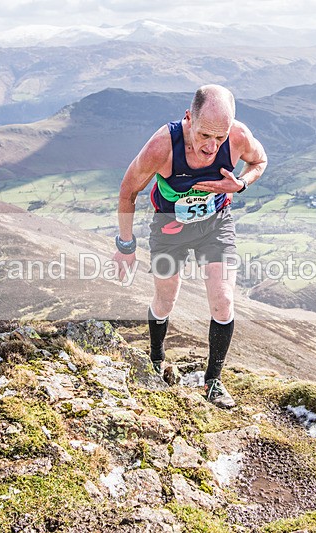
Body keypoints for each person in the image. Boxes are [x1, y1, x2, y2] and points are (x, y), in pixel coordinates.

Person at [113, 84, 267, 408]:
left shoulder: (238, 137)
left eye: (220, 138)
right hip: (170, 229)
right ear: (188, 118)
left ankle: (213, 382)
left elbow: (260, 161)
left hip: (215, 224)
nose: (212, 147)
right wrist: (125, 245)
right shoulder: (163, 146)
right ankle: (155, 358)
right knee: (166, 300)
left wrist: (240, 184)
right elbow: (128, 190)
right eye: (204, 135)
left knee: (223, 301)